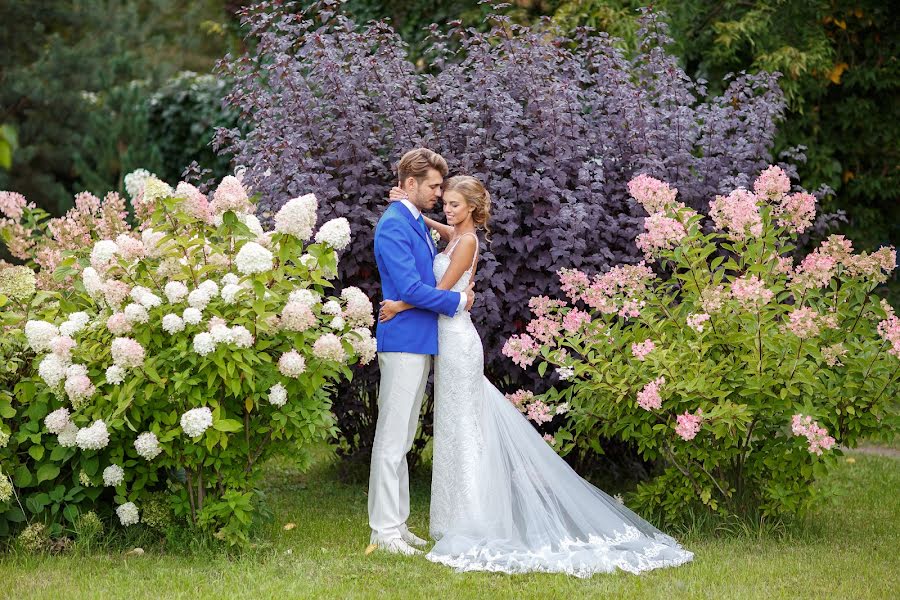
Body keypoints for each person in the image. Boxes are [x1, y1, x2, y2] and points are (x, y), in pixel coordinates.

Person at [379, 175, 694, 576]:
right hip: (447, 339)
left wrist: (398, 306)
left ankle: (474, 518)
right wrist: (409, 208)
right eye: (446, 203)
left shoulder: (468, 242)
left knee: (465, 428)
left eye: (455, 204)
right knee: (458, 429)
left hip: (457, 343)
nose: (446, 208)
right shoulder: (457, 235)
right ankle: (460, 512)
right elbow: (440, 231)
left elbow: (441, 293)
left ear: (472, 209)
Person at [369, 148, 474, 555]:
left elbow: (454, 239)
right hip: (402, 343)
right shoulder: (393, 226)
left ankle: (398, 523)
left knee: (405, 438)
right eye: (432, 186)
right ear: (409, 184)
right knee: (392, 439)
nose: (438, 192)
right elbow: (410, 289)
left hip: (419, 340)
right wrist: (458, 302)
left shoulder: (412, 220)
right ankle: (383, 530)